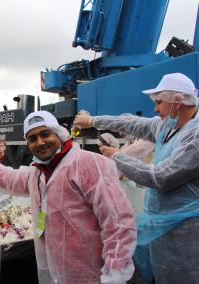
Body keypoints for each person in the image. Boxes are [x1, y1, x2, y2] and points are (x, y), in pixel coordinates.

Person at [0, 110, 136, 284]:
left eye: (45, 134)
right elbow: (9, 178)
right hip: (55, 274)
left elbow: (118, 222)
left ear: (59, 133)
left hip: (92, 275)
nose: (40, 142)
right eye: (32, 139)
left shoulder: (89, 164)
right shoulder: (38, 173)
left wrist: (115, 273)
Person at [73, 72, 199, 283]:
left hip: (186, 231)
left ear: (178, 102)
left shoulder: (195, 137)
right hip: (162, 223)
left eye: (159, 102)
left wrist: (118, 156)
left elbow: (161, 177)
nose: (155, 109)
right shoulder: (166, 127)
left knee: (183, 274)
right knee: (162, 273)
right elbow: (132, 123)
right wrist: (93, 120)